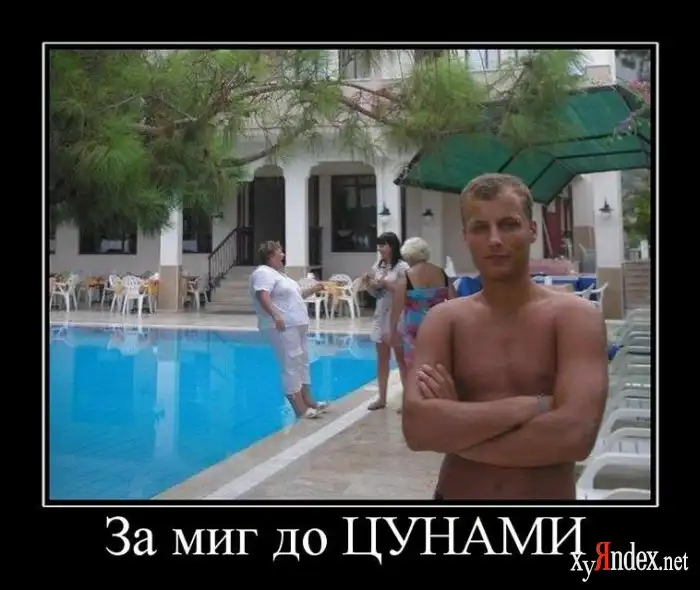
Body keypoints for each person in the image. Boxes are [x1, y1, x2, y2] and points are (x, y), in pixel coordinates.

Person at [402, 173, 609, 500]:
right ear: (466, 236)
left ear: (532, 229)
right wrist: (534, 405)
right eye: (480, 228)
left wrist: (455, 428)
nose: (495, 239)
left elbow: (575, 435)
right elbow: (417, 429)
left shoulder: (575, 318)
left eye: (509, 224)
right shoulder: (445, 321)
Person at [249, 240, 329, 419]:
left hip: (297, 325)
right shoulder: (263, 272)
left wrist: (313, 289)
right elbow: (262, 294)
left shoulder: (281, 276)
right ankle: (300, 408)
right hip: (282, 327)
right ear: (270, 255)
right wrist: (275, 314)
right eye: (280, 251)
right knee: (290, 364)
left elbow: (297, 296)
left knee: (302, 362)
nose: (283, 255)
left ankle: (309, 401)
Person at [389, 237, 455, 413]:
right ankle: (436, 398)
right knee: (437, 364)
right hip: (437, 326)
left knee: (410, 366)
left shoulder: (407, 277)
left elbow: (396, 308)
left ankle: (411, 402)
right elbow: (454, 301)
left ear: (409, 256)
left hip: (414, 330)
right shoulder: (441, 273)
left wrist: (392, 331)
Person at [362, 231, 410, 411]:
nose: (380, 249)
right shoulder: (378, 265)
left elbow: (403, 291)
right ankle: (381, 398)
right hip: (380, 316)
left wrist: (384, 283)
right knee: (382, 359)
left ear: (392, 246)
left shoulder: (402, 267)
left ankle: (408, 400)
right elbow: (377, 294)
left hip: (397, 316)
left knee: (402, 360)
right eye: (379, 246)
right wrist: (369, 284)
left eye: (383, 245)